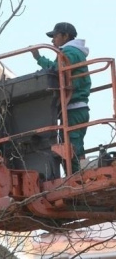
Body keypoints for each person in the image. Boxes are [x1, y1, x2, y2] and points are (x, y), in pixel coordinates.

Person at [31, 22, 91, 174]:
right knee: (74, 146)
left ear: (65, 36)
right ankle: (81, 175)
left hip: (74, 107)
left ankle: (77, 179)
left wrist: (39, 58)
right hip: (76, 107)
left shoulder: (69, 52)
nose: (53, 41)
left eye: (55, 36)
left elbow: (57, 71)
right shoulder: (72, 52)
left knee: (70, 148)